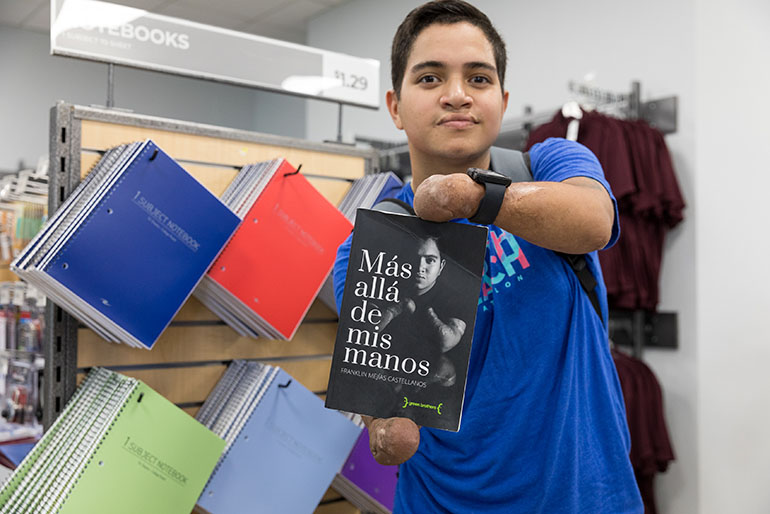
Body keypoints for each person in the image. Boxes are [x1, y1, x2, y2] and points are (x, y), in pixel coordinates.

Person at [332, 1, 644, 512]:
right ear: (394, 105)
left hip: (586, 497)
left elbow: (595, 220)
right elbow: (384, 386)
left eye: (478, 78)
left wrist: (475, 198)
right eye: (430, 78)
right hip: (443, 502)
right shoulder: (371, 247)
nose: (457, 95)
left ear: (502, 98)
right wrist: (382, 422)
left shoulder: (548, 166)